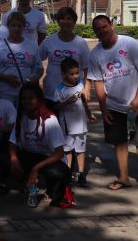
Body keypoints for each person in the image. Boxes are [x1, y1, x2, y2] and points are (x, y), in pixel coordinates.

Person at [87, 15, 138, 191]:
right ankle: (124, 177)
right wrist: (104, 108)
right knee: (120, 141)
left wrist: (137, 98)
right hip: (114, 104)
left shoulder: (129, 44)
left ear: (112, 25)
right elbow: (98, 82)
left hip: (135, 101)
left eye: (104, 27)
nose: (102, 31)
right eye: (97, 29)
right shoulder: (95, 54)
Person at [9, 83, 74, 208]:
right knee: (4, 159)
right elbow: (12, 142)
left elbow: (60, 152)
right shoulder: (21, 117)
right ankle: (26, 184)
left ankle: (44, 188)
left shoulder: (49, 120)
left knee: (59, 172)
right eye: (24, 99)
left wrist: (36, 168)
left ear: (39, 99)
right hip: (29, 155)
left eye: (31, 98)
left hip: (49, 159)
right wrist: (13, 159)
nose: (27, 101)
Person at [0, 12, 42, 108]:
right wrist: (6, 78)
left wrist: (32, 79)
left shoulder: (32, 45)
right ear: (8, 26)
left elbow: (39, 68)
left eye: (19, 26)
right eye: (13, 25)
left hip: (25, 94)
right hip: (4, 92)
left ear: (24, 27)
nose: (16, 29)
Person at [55, 58, 95, 187]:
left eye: (77, 73)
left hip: (81, 125)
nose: (75, 76)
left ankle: (81, 174)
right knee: (67, 150)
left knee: (81, 149)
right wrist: (65, 102)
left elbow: (84, 102)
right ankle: (67, 173)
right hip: (67, 126)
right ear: (63, 74)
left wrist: (89, 114)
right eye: (72, 74)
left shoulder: (80, 85)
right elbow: (56, 106)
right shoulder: (59, 89)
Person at [39, 7, 90, 107]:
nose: (65, 21)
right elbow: (36, 60)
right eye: (62, 18)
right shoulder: (49, 40)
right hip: (51, 92)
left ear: (74, 21)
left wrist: (87, 88)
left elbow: (87, 68)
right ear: (58, 21)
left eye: (69, 18)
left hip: (74, 94)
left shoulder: (81, 43)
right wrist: (38, 79)